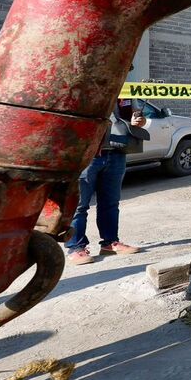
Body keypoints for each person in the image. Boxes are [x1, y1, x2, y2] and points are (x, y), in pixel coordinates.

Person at [65, 98, 146, 264]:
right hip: (88, 152)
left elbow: (135, 118)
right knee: (79, 204)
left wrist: (139, 121)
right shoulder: (89, 89)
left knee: (110, 202)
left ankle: (110, 243)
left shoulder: (125, 94)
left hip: (117, 151)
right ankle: (75, 247)